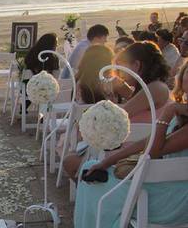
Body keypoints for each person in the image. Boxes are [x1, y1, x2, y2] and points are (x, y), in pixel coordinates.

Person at [71, 97, 188, 228]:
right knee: (90, 169)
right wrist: (108, 161)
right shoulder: (182, 118)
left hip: (172, 200)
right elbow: (146, 142)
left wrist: (168, 113)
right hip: (161, 185)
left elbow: (154, 152)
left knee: (95, 186)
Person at [63, 42, 171, 180]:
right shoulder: (150, 88)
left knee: (70, 162)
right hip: (131, 147)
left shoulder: (155, 88)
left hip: (137, 153)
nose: (119, 74)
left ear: (136, 65)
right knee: (74, 158)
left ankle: (95, 195)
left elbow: (120, 115)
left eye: (121, 67)